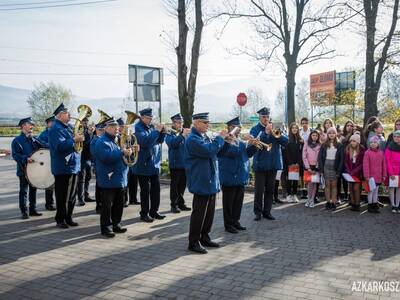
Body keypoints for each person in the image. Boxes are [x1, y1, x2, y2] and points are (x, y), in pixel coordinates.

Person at [185, 112, 227, 254]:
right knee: (199, 213)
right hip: (201, 180)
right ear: (196, 123)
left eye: (208, 122)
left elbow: (217, 152)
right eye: (204, 122)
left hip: (210, 179)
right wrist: (220, 138)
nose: (208, 125)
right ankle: (193, 241)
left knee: (209, 213)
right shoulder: (192, 139)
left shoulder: (204, 136)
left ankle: (205, 236)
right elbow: (209, 150)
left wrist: (225, 141)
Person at [218, 117, 256, 234]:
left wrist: (254, 146)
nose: (239, 130)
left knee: (238, 201)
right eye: (236, 127)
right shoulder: (226, 141)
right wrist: (245, 143)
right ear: (230, 127)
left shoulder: (239, 141)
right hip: (229, 175)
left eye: (239, 127)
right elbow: (233, 152)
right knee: (229, 202)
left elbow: (247, 154)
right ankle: (228, 224)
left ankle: (235, 221)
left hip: (240, 175)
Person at [94, 117, 130, 238]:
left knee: (119, 204)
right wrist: (122, 152)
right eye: (114, 127)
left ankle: (116, 224)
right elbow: (106, 157)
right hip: (108, 179)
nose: (117, 129)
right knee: (107, 206)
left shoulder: (117, 139)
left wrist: (131, 151)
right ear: (107, 128)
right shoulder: (101, 141)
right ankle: (106, 227)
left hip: (120, 178)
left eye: (117, 127)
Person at [250, 107, 288, 221]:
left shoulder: (275, 128)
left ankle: (267, 212)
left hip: (273, 163)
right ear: (260, 118)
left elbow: (286, 142)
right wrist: (265, 133)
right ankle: (258, 212)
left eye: (267, 117)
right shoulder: (255, 129)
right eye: (263, 117)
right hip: (260, 164)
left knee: (270, 190)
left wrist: (277, 133)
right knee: (259, 190)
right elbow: (256, 143)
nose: (266, 119)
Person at [49, 103, 83, 228]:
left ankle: (69, 217)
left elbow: (77, 141)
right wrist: (74, 140)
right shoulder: (55, 129)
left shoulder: (68, 126)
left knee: (72, 195)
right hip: (62, 167)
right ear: (59, 115)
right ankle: (60, 219)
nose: (69, 115)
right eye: (66, 113)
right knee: (62, 195)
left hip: (73, 166)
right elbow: (59, 147)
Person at [133, 108, 166, 222]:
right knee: (145, 191)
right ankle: (144, 213)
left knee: (156, 189)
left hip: (154, 163)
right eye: (148, 118)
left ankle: (154, 211)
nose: (150, 120)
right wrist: (157, 131)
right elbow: (145, 142)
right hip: (143, 164)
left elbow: (160, 141)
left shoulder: (151, 127)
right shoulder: (138, 128)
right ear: (142, 117)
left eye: (151, 118)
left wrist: (163, 132)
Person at [11, 117, 43, 219]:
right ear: (24, 126)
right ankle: (24, 211)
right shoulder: (17, 141)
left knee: (33, 190)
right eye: (30, 124)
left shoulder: (33, 139)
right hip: (23, 170)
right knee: (23, 191)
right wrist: (26, 159)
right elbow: (15, 155)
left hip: (34, 170)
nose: (31, 126)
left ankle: (33, 209)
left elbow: (42, 149)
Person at [165, 113, 191, 213]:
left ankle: (181, 203)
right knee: (175, 186)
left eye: (181, 122)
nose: (180, 125)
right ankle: (174, 205)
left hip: (184, 163)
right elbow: (172, 144)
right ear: (173, 123)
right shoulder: (169, 133)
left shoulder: (183, 132)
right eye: (178, 123)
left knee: (182, 185)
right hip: (175, 164)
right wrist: (182, 135)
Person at [318, 127, 343, 211]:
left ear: (335, 134)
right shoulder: (324, 144)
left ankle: (334, 202)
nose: (331, 134)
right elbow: (320, 158)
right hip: (326, 165)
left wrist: (339, 170)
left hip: (334, 166)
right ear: (327, 134)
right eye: (329, 133)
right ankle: (328, 202)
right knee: (327, 185)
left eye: (333, 133)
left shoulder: (339, 145)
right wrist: (321, 170)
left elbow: (341, 159)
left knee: (334, 185)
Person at [363, 135, 386, 213]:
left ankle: (375, 205)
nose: (373, 143)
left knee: (376, 191)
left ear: (378, 144)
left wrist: (384, 174)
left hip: (378, 176)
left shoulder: (381, 153)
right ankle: (370, 206)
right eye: (371, 142)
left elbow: (383, 165)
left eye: (375, 142)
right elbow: (365, 165)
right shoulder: (367, 153)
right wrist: (367, 176)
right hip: (370, 177)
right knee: (370, 191)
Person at [37, 115, 56, 211]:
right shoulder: (43, 134)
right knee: (49, 184)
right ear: (48, 124)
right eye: (52, 122)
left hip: (56, 160)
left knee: (58, 184)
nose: (54, 124)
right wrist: (51, 146)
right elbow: (39, 144)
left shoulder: (57, 132)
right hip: (47, 161)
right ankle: (49, 204)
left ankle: (57, 203)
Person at [344, 132, 365, 212]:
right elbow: (346, 162)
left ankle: (357, 204)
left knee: (356, 188)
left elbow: (362, 163)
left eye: (354, 141)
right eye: (351, 141)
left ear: (358, 142)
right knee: (351, 188)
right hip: (350, 172)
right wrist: (349, 170)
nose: (352, 142)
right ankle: (352, 203)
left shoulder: (362, 150)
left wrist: (355, 171)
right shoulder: (348, 149)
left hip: (358, 173)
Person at [77, 117, 95, 206]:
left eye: (87, 122)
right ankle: (80, 198)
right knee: (81, 179)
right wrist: (88, 133)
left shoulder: (89, 130)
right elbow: (84, 142)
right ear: (81, 122)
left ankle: (86, 195)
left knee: (88, 177)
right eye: (84, 122)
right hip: (82, 158)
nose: (86, 124)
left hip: (89, 158)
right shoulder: (79, 130)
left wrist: (92, 132)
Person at [283, 122, 303, 203]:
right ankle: (288, 195)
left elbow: (301, 152)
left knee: (295, 179)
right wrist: (290, 163)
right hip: (289, 163)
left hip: (297, 162)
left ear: (298, 129)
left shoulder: (300, 140)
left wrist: (298, 162)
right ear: (290, 129)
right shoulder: (287, 139)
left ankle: (294, 195)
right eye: (293, 128)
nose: (294, 129)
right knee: (289, 179)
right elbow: (286, 152)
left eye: (296, 128)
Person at [302, 130, 321, 208]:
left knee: (314, 184)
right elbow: (304, 156)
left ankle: (312, 199)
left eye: (316, 135)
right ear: (310, 136)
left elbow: (320, 157)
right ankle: (308, 199)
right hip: (308, 166)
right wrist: (308, 167)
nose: (315, 137)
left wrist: (317, 166)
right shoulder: (306, 143)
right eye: (313, 135)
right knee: (309, 184)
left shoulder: (320, 145)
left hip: (316, 167)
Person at [90, 122, 106, 214]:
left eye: (103, 130)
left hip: (104, 166)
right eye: (100, 130)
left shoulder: (104, 139)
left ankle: (103, 205)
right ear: (96, 130)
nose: (102, 131)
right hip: (98, 166)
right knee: (99, 187)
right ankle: (98, 206)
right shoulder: (94, 140)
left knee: (103, 187)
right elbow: (94, 154)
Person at [385, 130, 400, 213]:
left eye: (398, 137)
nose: (396, 138)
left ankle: (397, 205)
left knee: (398, 189)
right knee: (392, 188)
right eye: (395, 136)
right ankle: (393, 205)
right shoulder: (389, 147)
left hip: (399, 172)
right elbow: (388, 161)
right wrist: (391, 173)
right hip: (392, 172)